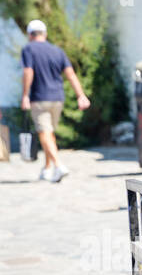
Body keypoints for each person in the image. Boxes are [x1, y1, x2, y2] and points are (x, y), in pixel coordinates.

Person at [19, 19, 90, 183]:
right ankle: (47, 168)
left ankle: (58, 166)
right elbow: (70, 74)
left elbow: (28, 72)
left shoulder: (28, 49)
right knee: (49, 133)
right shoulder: (57, 50)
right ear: (45, 34)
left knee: (44, 133)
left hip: (39, 97)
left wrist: (25, 95)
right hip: (58, 98)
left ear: (30, 35)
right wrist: (81, 95)